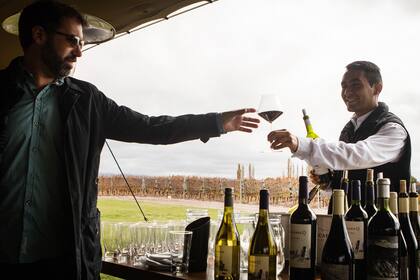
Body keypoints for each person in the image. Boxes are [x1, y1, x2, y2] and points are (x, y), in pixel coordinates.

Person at [0, 1, 259, 279]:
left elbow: (151, 128)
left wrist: (216, 122)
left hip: (65, 262)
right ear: (39, 35)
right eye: (73, 41)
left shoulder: (88, 101)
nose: (79, 52)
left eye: (82, 43)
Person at [268, 60, 411, 205]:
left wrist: (302, 145)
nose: (347, 92)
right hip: (343, 222)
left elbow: (357, 155)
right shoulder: (349, 128)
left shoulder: (393, 129)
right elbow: (344, 179)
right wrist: (328, 183)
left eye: (355, 85)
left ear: (377, 89)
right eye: (344, 86)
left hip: (379, 225)